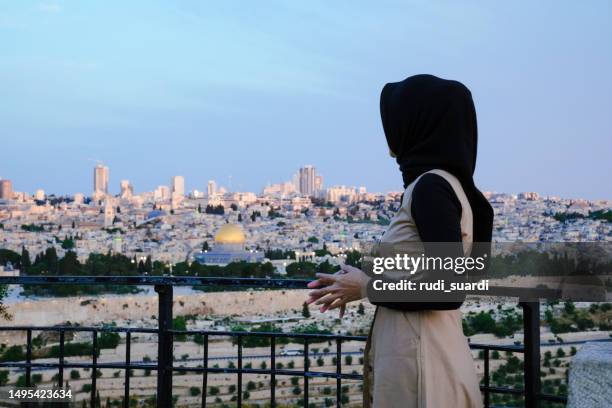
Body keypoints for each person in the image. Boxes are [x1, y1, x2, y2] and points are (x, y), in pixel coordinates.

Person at [307, 74, 494, 407]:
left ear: (421, 124)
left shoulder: (431, 189)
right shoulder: (451, 187)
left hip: (423, 365)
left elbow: (449, 289)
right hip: (429, 352)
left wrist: (366, 287)